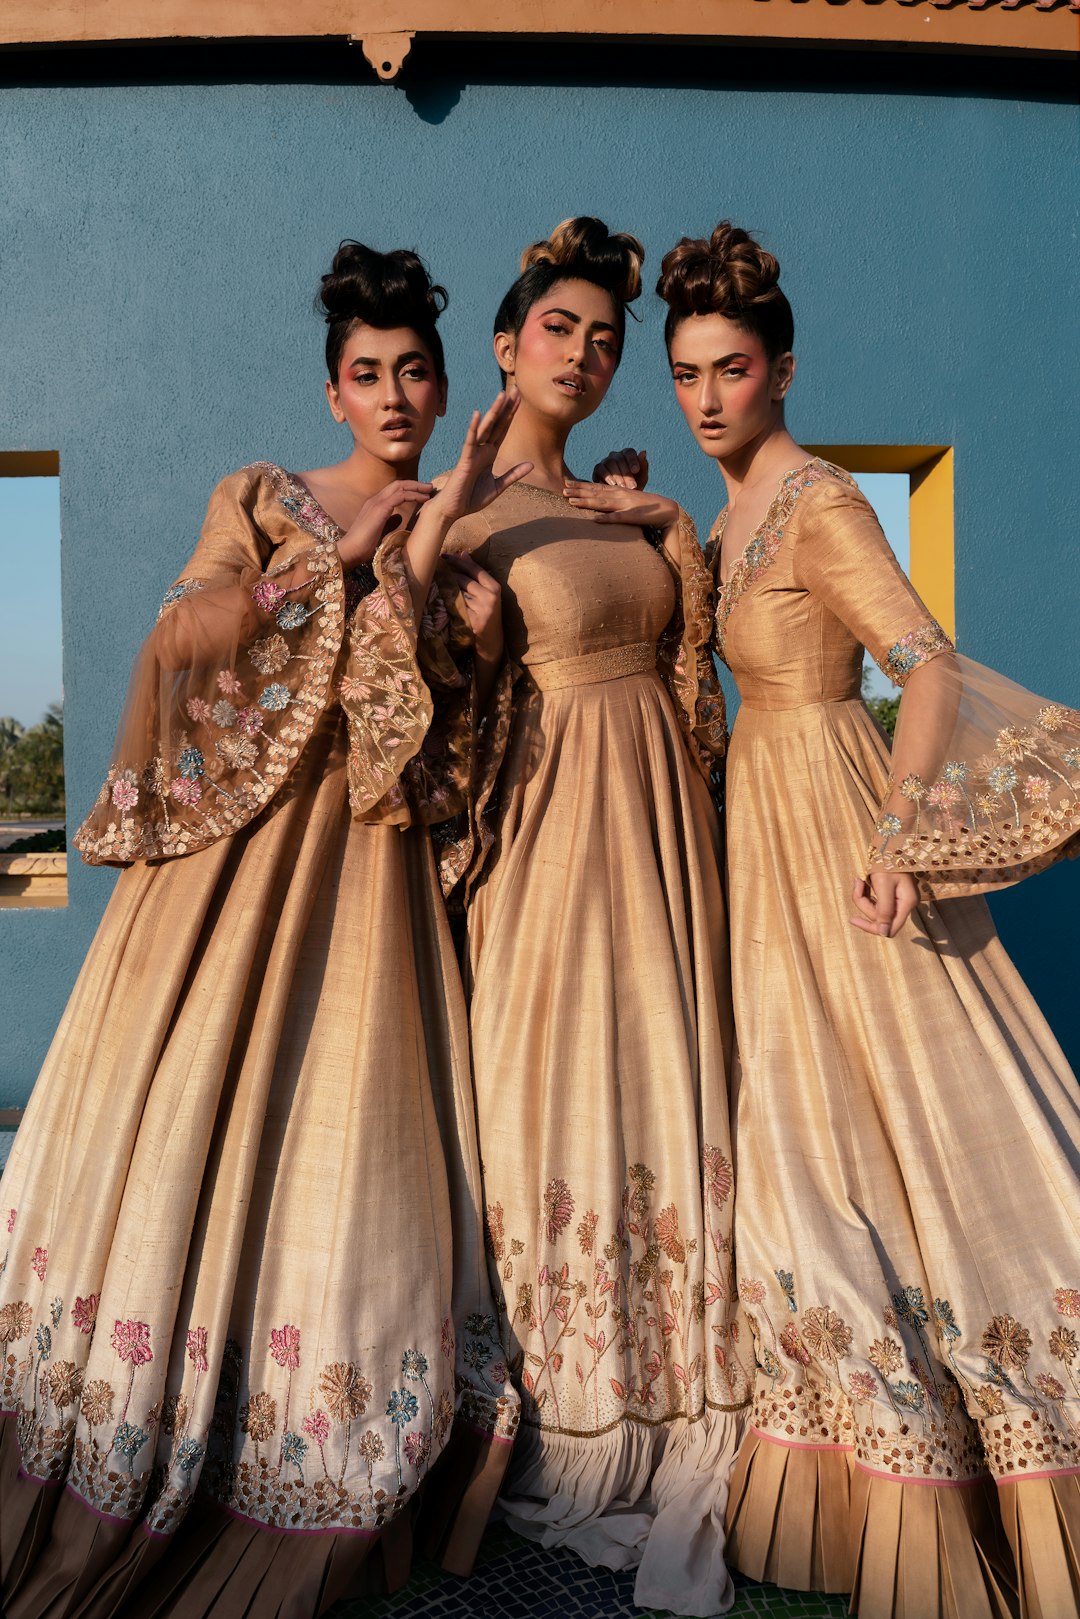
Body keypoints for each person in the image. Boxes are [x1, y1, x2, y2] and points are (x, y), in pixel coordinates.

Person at [0, 240, 530, 1619]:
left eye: (414, 370)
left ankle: (309, 1433)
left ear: (444, 384)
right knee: (190, 1116)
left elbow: (452, 744)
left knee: (342, 1128)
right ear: (333, 390)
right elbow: (182, 638)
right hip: (232, 874)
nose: (394, 394)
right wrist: (333, 564)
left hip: (369, 880)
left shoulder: (460, 527)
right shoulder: (263, 495)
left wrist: (475, 634)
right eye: (368, 372)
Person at [576, 220, 1080, 1618]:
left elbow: (927, 665)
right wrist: (661, 529)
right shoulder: (736, 512)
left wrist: (904, 838)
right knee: (805, 1132)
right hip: (761, 829)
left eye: (732, 369)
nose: (707, 397)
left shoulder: (823, 504)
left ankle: (991, 1439)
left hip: (837, 812)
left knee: (911, 1114)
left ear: (784, 370)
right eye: (686, 373)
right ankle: (851, 1460)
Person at [441, 216, 748, 1618]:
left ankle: (685, 1380)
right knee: (559, 1087)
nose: (583, 352)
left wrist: (670, 529)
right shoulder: (464, 515)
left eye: (606, 339)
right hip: (552, 832)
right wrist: (455, 611)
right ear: (506, 348)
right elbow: (436, 711)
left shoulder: (621, 497)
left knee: (673, 1075)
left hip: (662, 830)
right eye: (557, 329)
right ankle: (577, 1408)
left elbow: (694, 665)